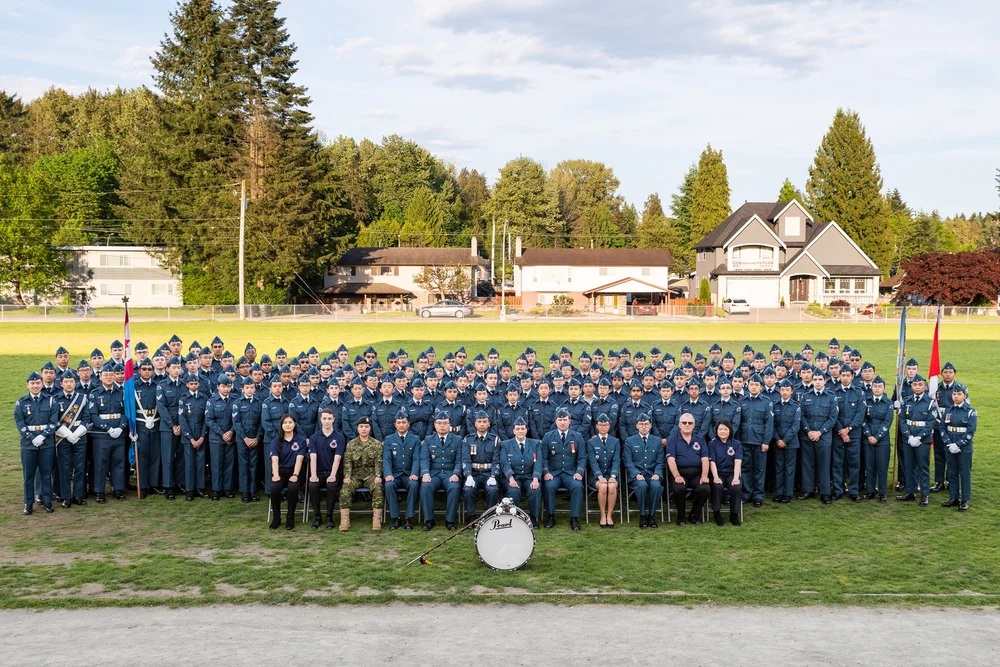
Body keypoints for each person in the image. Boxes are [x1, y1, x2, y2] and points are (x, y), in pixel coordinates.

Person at [15, 372, 59, 514]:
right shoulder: (21, 402)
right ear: (27, 385)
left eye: (37, 383)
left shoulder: (51, 401)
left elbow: (53, 423)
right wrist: (31, 437)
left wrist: (43, 436)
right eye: (32, 383)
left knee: (46, 473)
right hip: (28, 444)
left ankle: (47, 501)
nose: (35, 386)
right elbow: (20, 423)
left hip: (46, 443)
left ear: (42, 384)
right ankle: (28, 503)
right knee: (28, 475)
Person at [540, 407, 587, 531]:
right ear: (555, 421)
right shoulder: (548, 436)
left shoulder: (577, 436)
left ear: (569, 421)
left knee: (577, 486)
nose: (562, 422)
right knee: (549, 486)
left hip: (570, 473)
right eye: (560, 419)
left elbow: (582, 458)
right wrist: (546, 472)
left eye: (565, 419)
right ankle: (550, 516)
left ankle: (574, 518)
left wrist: (579, 472)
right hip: (553, 473)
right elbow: (543, 458)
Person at [89, 364, 127, 503]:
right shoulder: (94, 394)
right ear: (100, 377)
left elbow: (125, 413)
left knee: (118, 462)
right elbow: (94, 416)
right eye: (106, 375)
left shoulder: (122, 392)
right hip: (102, 435)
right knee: (101, 463)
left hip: (118, 433)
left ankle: (118, 488)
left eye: (111, 375)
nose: (109, 377)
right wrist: (108, 429)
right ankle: (99, 491)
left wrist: (121, 428)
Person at [798, 373, 839, 504]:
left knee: (824, 464)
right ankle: (808, 490)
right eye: (815, 379)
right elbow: (802, 416)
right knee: (807, 463)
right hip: (807, 436)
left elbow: (833, 418)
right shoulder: (806, 395)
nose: (817, 382)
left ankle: (825, 492)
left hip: (824, 436)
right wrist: (809, 431)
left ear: (825, 380)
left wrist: (819, 432)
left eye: (820, 379)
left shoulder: (831, 397)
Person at [419, 411, 463, 531]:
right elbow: (424, 459)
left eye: (445, 423)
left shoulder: (458, 439)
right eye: (439, 423)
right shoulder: (428, 440)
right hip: (434, 474)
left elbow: (459, 460)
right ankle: (429, 520)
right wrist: (425, 473)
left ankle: (450, 520)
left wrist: (456, 473)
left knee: (454, 487)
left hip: (449, 474)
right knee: (425, 486)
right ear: (435, 425)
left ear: (450, 425)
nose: (442, 426)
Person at [897, 374, 937, 506]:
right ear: (911, 386)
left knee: (923, 467)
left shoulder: (930, 402)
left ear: (925, 387)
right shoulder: (906, 401)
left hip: (922, 440)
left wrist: (919, 437)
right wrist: (909, 436)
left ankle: (924, 494)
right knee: (908, 466)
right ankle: (910, 491)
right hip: (908, 439)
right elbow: (902, 420)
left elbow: (931, 422)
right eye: (915, 384)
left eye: (920, 385)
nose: (917, 387)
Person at [52, 370, 90, 508]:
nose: (69, 384)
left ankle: (78, 495)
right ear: (61, 383)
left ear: (76, 383)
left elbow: (87, 419)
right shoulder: (55, 399)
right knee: (64, 467)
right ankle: (66, 497)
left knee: (80, 467)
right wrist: (68, 434)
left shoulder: (83, 398)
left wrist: (76, 434)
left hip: (80, 437)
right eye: (66, 382)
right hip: (63, 437)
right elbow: (54, 420)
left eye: (72, 381)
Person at [339, 416, 384, 531]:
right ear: (357, 428)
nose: (364, 429)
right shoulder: (351, 444)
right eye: (361, 427)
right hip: (355, 475)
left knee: (378, 488)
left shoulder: (376, 444)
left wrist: (378, 476)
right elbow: (347, 462)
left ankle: (376, 519)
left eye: (366, 427)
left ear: (370, 428)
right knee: (345, 489)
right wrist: (347, 477)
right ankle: (345, 520)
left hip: (371, 475)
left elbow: (379, 463)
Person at [666, 413, 710, 526]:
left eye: (690, 423)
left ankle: (694, 515)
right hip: (680, 473)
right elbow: (671, 460)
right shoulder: (672, 440)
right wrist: (676, 476)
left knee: (705, 488)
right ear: (679, 425)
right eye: (684, 423)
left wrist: (704, 476)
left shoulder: (700, 440)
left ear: (694, 425)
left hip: (697, 473)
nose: (687, 425)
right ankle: (681, 517)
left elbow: (705, 460)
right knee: (679, 489)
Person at [499, 416, 542, 528]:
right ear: (513, 431)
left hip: (529, 476)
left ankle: (533, 518)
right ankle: (515, 517)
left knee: (535, 490)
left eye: (522, 428)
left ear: (526, 430)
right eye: (517, 429)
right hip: (514, 477)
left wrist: (535, 479)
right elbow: (504, 463)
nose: (520, 431)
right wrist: (511, 479)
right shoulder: (505, 444)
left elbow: (538, 462)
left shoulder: (535, 443)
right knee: (514, 491)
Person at [383, 409, 421, 530]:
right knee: (388, 485)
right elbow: (387, 459)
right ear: (395, 424)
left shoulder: (415, 439)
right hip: (394, 474)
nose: (401, 425)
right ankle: (395, 518)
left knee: (414, 485)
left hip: (409, 474)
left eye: (404, 422)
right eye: (399, 422)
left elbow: (417, 459)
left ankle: (409, 518)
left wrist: (415, 473)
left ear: (408, 423)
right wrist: (388, 474)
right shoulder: (389, 439)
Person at [624, 413, 664, 528]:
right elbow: (628, 462)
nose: (644, 426)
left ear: (650, 425)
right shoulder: (629, 441)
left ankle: (651, 516)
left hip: (652, 474)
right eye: (641, 424)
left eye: (646, 424)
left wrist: (657, 473)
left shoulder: (657, 441)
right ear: (636, 426)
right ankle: (642, 515)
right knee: (641, 486)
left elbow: (660, 461)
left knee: (656, 486)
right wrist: (636, 474)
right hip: (637, 475)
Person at [308, 408, 346, 529]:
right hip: (318, 472)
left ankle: (329, 516)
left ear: (333, 419)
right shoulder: (314, 438)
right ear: (320, 420)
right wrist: (313, 475)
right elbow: (313, 458)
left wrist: (333, 475)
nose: (327, 421)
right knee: (312, 485)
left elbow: (337, 459)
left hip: (333, 472)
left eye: (329, 418)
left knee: (331, 485)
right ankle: (317, 516)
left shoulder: (339, 437)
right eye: (324, 418)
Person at [939, 383, 975, 511]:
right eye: (954, 394)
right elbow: (942, 428)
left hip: (964, 449)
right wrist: (949, 444)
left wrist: (958, 445)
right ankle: (953, 498)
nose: (956, 396)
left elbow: (970, 432)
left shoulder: (970, 412)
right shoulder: (948, 410)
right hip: (950, 447)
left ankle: (965, 499)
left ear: (964, 396)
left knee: (964, 474)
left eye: (959, 394)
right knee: (952, 473)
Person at [268, 413, 306, 530]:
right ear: (281, 425)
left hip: (295, 471)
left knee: (293, 488)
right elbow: (274, 460)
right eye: (285, 423)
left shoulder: (301, 441)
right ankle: (276, 517)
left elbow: (299, 460)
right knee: (274, 488)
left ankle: (290, 517)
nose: (288, 425)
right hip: (280, 471)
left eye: (290, 422)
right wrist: (275, 475)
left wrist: (295, 475)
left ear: (294, 425)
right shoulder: (275, 441)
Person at [740, 374, 773, 508]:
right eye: (751, 384)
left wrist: (766, 441)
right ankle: (747, 493)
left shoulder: (766, 402)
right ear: (748, 386)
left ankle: (758, 495)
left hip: (759, 441)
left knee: (759, 469)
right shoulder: (742, 401)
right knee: (745, 467)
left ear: (761, 387)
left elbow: (769, 423)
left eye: (756, 385)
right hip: (744, 440)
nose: (753, 387)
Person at [462, 410, 501, 521]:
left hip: (489, 473)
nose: (482, 424)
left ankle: (490, 517)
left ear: (489, 424)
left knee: (493, 490)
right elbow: (466, 460)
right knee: (468, 489)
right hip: (474, 473)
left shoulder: (495, 440)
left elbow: (496, 461)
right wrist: (468, 476)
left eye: (484, 421)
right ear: (475, 423)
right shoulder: (467, 440)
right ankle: (471, 516)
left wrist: (493, 476)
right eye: (479, 421)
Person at [155, 357, 185, 499]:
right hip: (168, 427)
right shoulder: (162, 385)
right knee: (167, 457)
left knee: (181, 456)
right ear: (167, 369)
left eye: (178, 367)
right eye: (173, 367)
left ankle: (179, 482)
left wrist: (181, 425)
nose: (176, 370)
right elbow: (162, 407)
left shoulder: (184, 384)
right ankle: (168, 486)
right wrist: (173, 426)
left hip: (183, 426)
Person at [833, 366, 864, 502]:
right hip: (838, 433)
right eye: (843, 375)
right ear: (839, 376)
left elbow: (860, 413)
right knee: (837, 463)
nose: (845, 378)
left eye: (848, 375)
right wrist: (842, 431)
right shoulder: (833, 392)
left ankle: (853, 491)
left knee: (854, 463)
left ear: (852, 376)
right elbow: (833, 414)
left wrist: (849, 429)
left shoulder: (859, 392)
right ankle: (838, 490)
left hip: (854, 434)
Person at [232, 377, 264, 502]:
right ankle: (245, 491)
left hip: (255, 438)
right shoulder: (238, 403)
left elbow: (261, 423)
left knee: (253, 465)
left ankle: (253, 491)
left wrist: (257, 438)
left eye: (252, 388)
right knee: (243, 465)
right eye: (247, 388)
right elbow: (236, 422)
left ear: (255, 389)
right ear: (242, 389)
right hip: (242, 440)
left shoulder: (259, 403)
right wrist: (245, 438)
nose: (250, 390)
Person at [205, 374, 236, 500]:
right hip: (216, 438)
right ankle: (216, 489)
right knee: (217, 464)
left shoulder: (235, 399)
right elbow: (209, 420)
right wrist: (222, 434)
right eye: (223, 386)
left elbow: (237, 419)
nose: (226, 389)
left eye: (228, 386)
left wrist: (231, 432)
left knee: (229, 464)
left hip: (230, 437)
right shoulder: (211, 401)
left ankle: (227, 489)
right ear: (218, 387)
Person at [178, 373, 209, 501]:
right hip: (188, 436)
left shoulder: (204, 398)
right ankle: (190, 490)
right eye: (191, 384)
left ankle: (200, 488)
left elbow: (206, 419)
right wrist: (190, 438)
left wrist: (202, 437)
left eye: (196, 383)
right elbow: (182, 420)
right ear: (187, 385)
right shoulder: (183, 399)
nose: (194, 386)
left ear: (199, 384)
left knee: (201, 462)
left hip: (200, 434)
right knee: (189, 463)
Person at [862, 376, 893, 501]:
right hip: (867, 438)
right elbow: (863, 419)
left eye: (880, 386)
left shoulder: (888, 403)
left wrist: (877, 437)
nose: (877, 388)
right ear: (872, 388)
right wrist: (869, 435)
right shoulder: (866, 401)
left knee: (882, 466)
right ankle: (870, 490)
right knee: (869, 466)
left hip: (882, 440)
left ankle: (882, 491)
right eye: (875, 386)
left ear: (884, 388)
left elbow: (887, 422)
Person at [588, 413, 620, 528]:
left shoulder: (615, 441)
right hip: (597, 475)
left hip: (611, 474)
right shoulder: (591, 443)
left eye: (605, 425)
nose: (603, 427)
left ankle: (609, 515)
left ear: (609, 426)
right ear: (596, 426)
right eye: (600, 425)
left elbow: (616, 460)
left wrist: (613, 476)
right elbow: (592, 461)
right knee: (602, 487)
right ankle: (602, 515)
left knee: (611, 487)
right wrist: (599, 476)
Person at [771, 379, 801, 504]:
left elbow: (796, 426)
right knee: (779, 468)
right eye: (782, 389)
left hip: (791, 443)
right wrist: (778, 439)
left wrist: (785, 440)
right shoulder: (774, 405)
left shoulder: (796, 406)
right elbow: (772, 424)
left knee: (789, 469)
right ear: (779, 390)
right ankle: (780, 492)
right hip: (777, 442)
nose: (785, 392)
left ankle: (788, 493)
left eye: (787, 390)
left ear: (792, 391)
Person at [708, 420, 743, 526]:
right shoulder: (712, 444)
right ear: (716, 431)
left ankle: (734, 514)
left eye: (725, 429)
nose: (723, 431)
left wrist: (736, 478)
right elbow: (712, 462)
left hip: (732, 473)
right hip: (717, 472)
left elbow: (738, 462)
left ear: (730, 431)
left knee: (736, 487)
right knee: (717, 486)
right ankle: (717, 513)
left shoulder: (736, 444)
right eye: (720, 429)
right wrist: (715, 477)